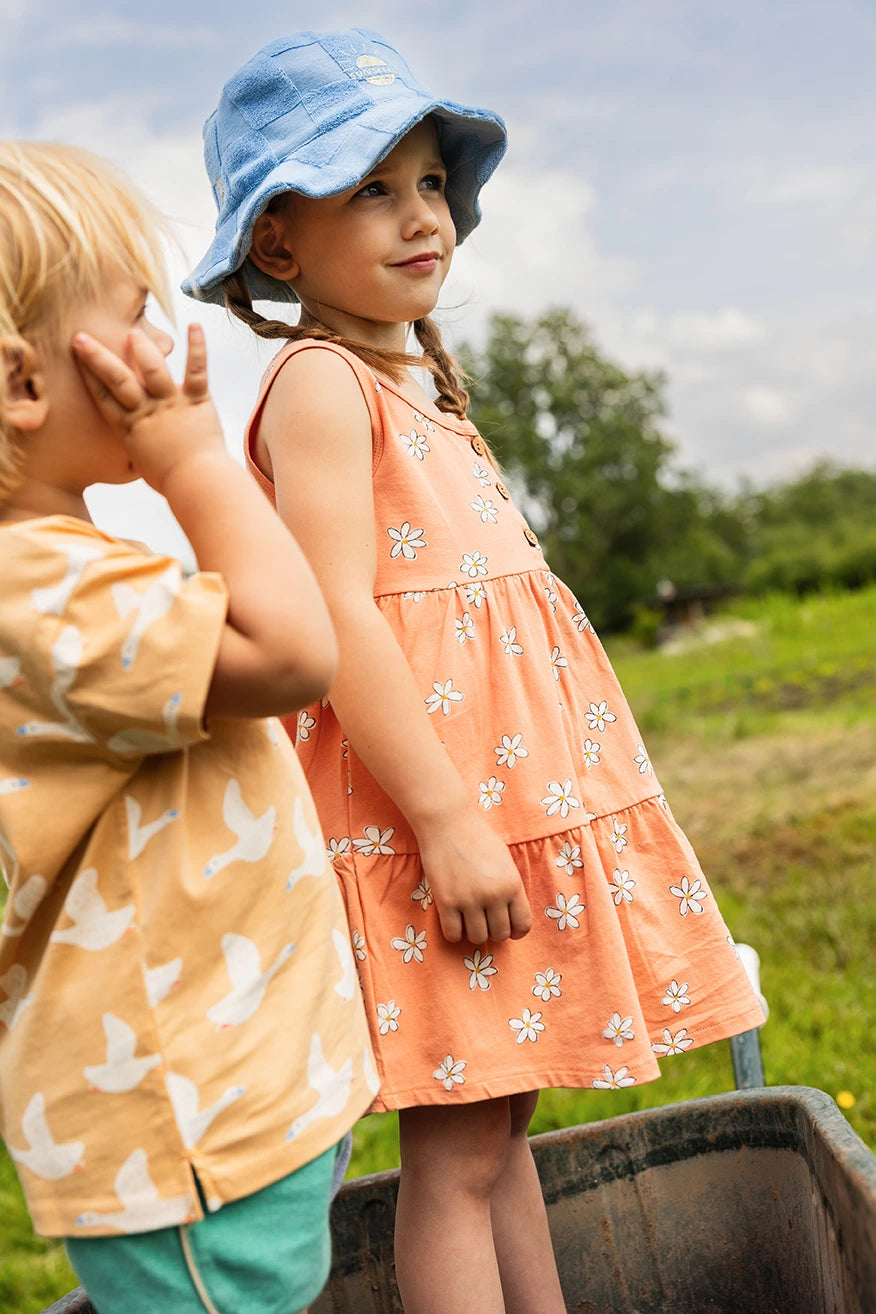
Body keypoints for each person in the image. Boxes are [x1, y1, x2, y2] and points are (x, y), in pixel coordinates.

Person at [184, 29, 766, 1314]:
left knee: (499, 1136)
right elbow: (337, 616)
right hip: (432, 824)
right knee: (451, 1157)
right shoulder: (324, 383)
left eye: (432, 185)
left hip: (501, 819)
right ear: (279, 244)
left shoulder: (425, 391)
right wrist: (447, 822)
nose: (419, 216)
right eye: (372, 190)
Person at [0, 140, 375, 1314]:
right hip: (189, 1132)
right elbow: (292, 650)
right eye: (135, 320)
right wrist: (197, 465)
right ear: (21, 385)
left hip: (234, 1104)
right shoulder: (39, 593)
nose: (166, 353)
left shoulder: (66, 574)